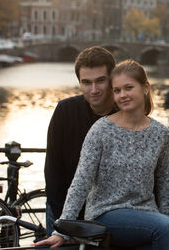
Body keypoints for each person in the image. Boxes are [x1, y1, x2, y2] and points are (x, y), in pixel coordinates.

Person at [36, 59, 169, 249]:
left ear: (145, 88)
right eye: (117, 90)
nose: (122, 95)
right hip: (106, 214)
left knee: (160, 234)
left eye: (128, 88)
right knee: (162, 229)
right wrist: (62, 228)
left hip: (148, 216)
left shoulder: (161, 133)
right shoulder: (101, 129)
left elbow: (163, 180)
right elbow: (82, 180)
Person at [44, 46, 117, 237]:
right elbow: (53, 169)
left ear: (112, 79)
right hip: (63, 207)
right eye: (86, 82)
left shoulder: (126, 112)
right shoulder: (65, 111)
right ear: (79, 83)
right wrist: (65, 222)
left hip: (107, 214)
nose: (93, 90)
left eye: (100, 81)